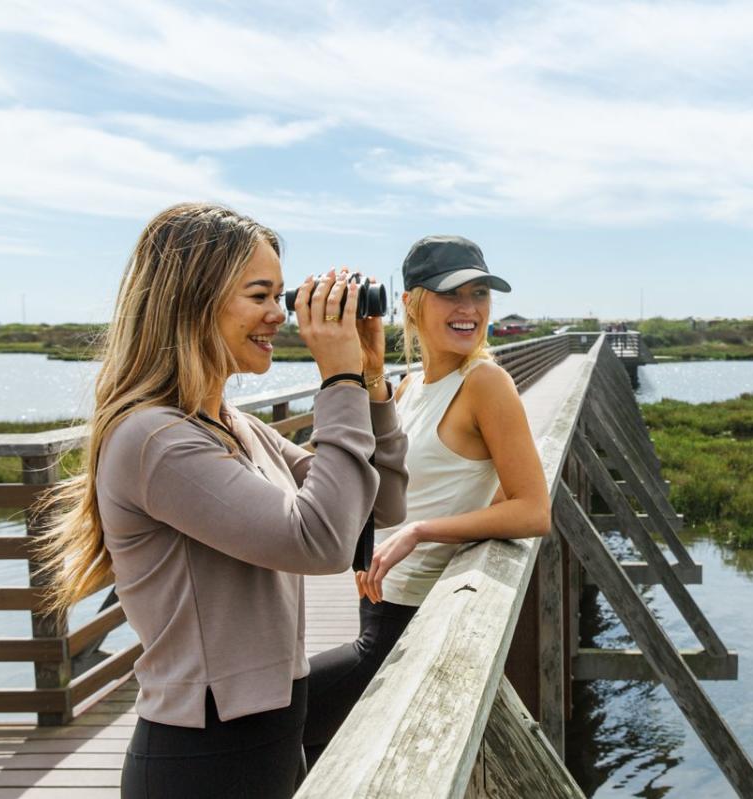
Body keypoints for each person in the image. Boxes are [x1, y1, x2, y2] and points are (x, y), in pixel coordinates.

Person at [34, 203, 408, 798]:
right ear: (191, 301)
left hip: (270, 736)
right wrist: (335, 382)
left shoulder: (234, 426)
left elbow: (379, 504)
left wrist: (368, 379)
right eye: (260, 295)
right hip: (203, 757)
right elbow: (323, 542)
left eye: (284, 297)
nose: (279, 316)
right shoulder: (154, 440)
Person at [302, 235, 550, 767]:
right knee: (326, 757)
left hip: (411, 620)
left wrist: (420, 531)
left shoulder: (486, 383)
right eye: (450, 294)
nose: (469, 309)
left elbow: (533, 509)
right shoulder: (410, 385)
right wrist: (367, 361)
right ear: (412, 302)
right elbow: (378, 478)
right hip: (374, 604)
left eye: (480, 293)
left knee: (280, 718)